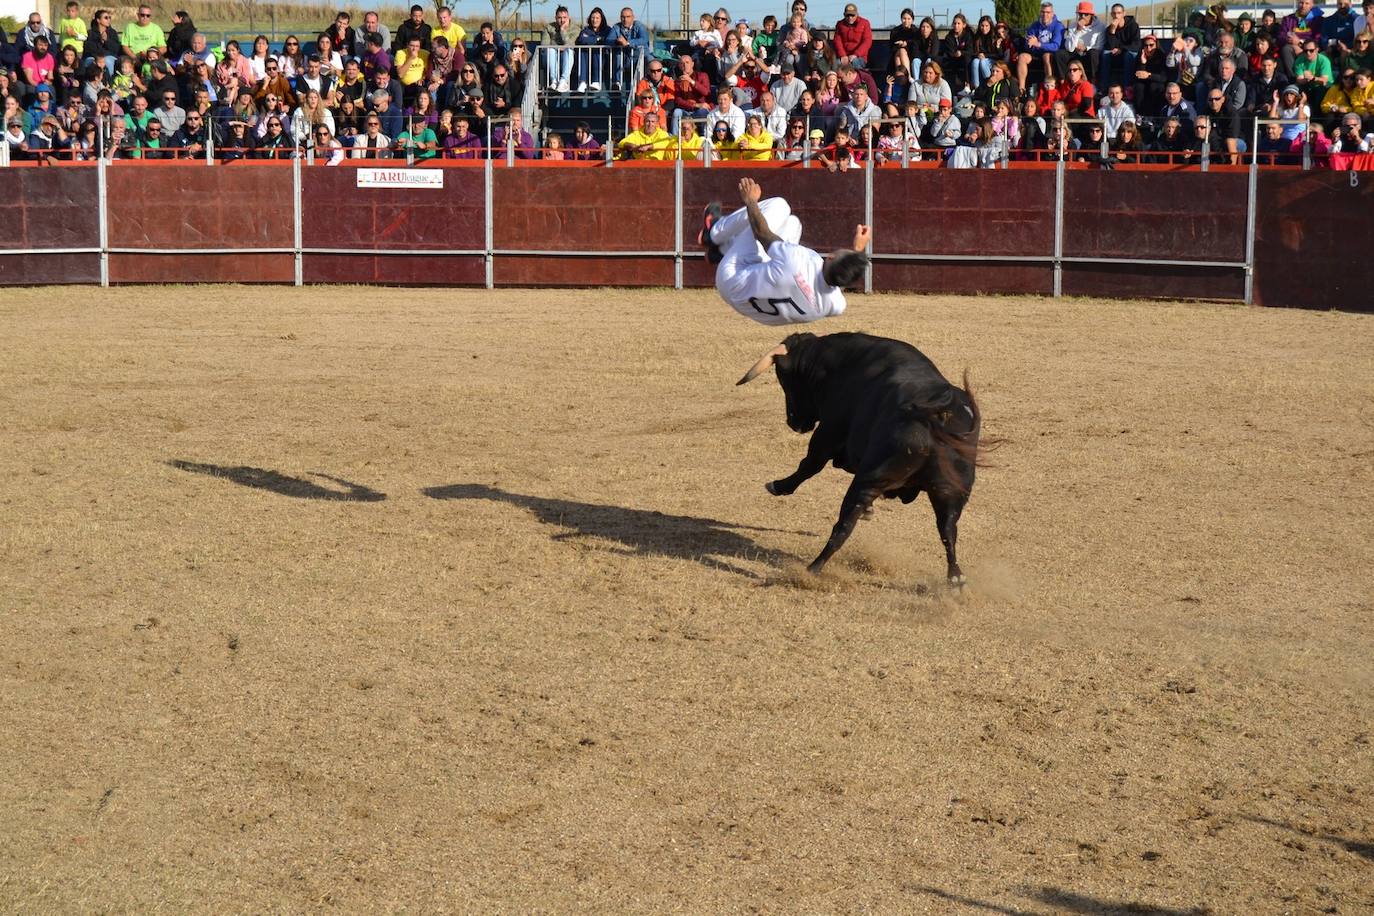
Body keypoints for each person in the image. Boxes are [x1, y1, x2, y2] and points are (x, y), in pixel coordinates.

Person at [699, 178, 869, 326]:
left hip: (731, 276)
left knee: (780, 206)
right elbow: (840, 281)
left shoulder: (796, 261)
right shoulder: (836, 305)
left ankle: (713, 232)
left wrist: (751, 201)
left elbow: (762, 233)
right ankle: (722, 251)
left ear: (831, 257)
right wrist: (857, 251)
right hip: (746, 305)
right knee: (792, 224)